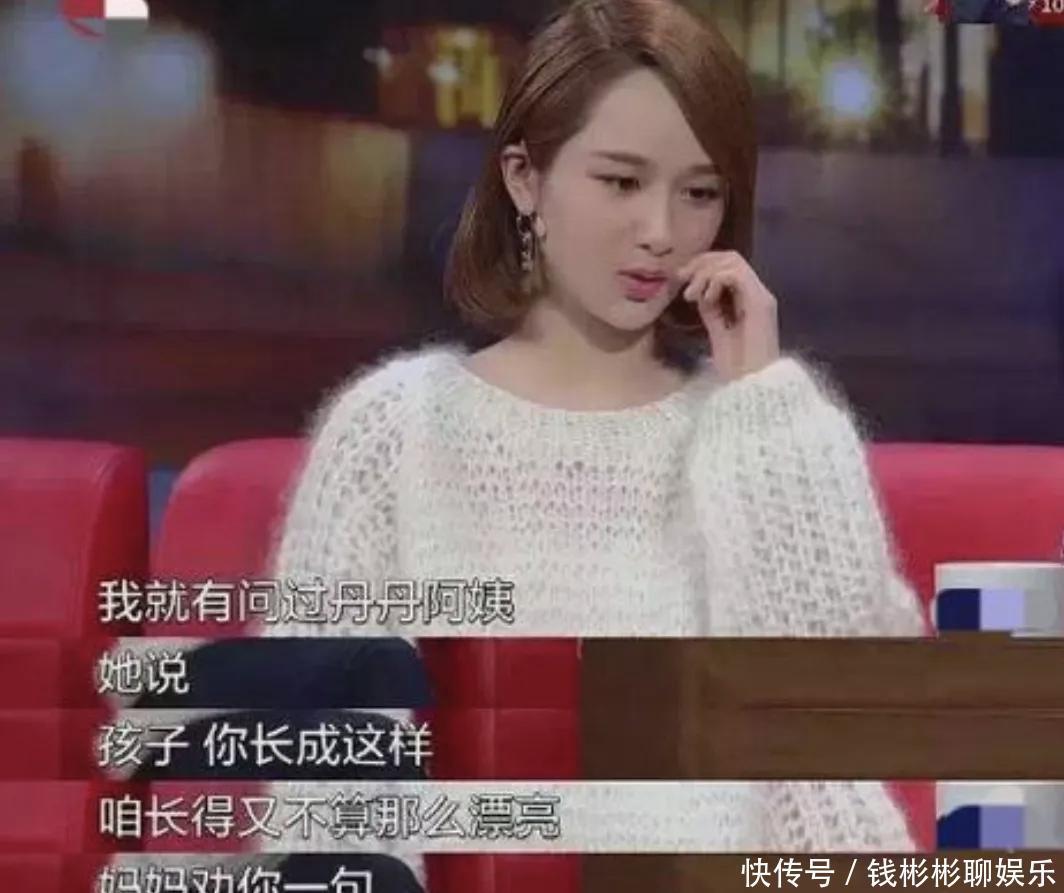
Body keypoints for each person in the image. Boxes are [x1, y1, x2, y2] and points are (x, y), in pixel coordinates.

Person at [264, 0, 926, 865]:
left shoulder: (762, 438)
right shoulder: (396, 430)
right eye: (621, 182)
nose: (661, 233)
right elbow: (322, 782)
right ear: (524, 179)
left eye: (699, 193)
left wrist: (768, 413)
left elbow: (849, 739)